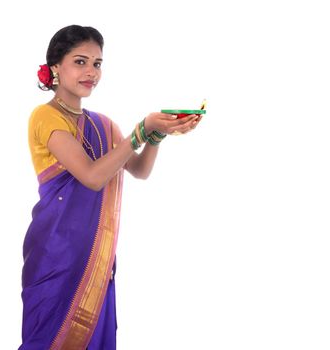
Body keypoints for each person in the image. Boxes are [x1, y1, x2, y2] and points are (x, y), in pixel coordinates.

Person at [19, 25, 201, 350]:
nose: (91, 72)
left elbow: (140, 170)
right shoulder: (44, 118)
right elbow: (92, 176)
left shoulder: (104, 125)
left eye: (98, 63)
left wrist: (157, 135)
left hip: (97, 258)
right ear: (55, 67)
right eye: (80, 62)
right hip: (57, 255)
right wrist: (141, 130)